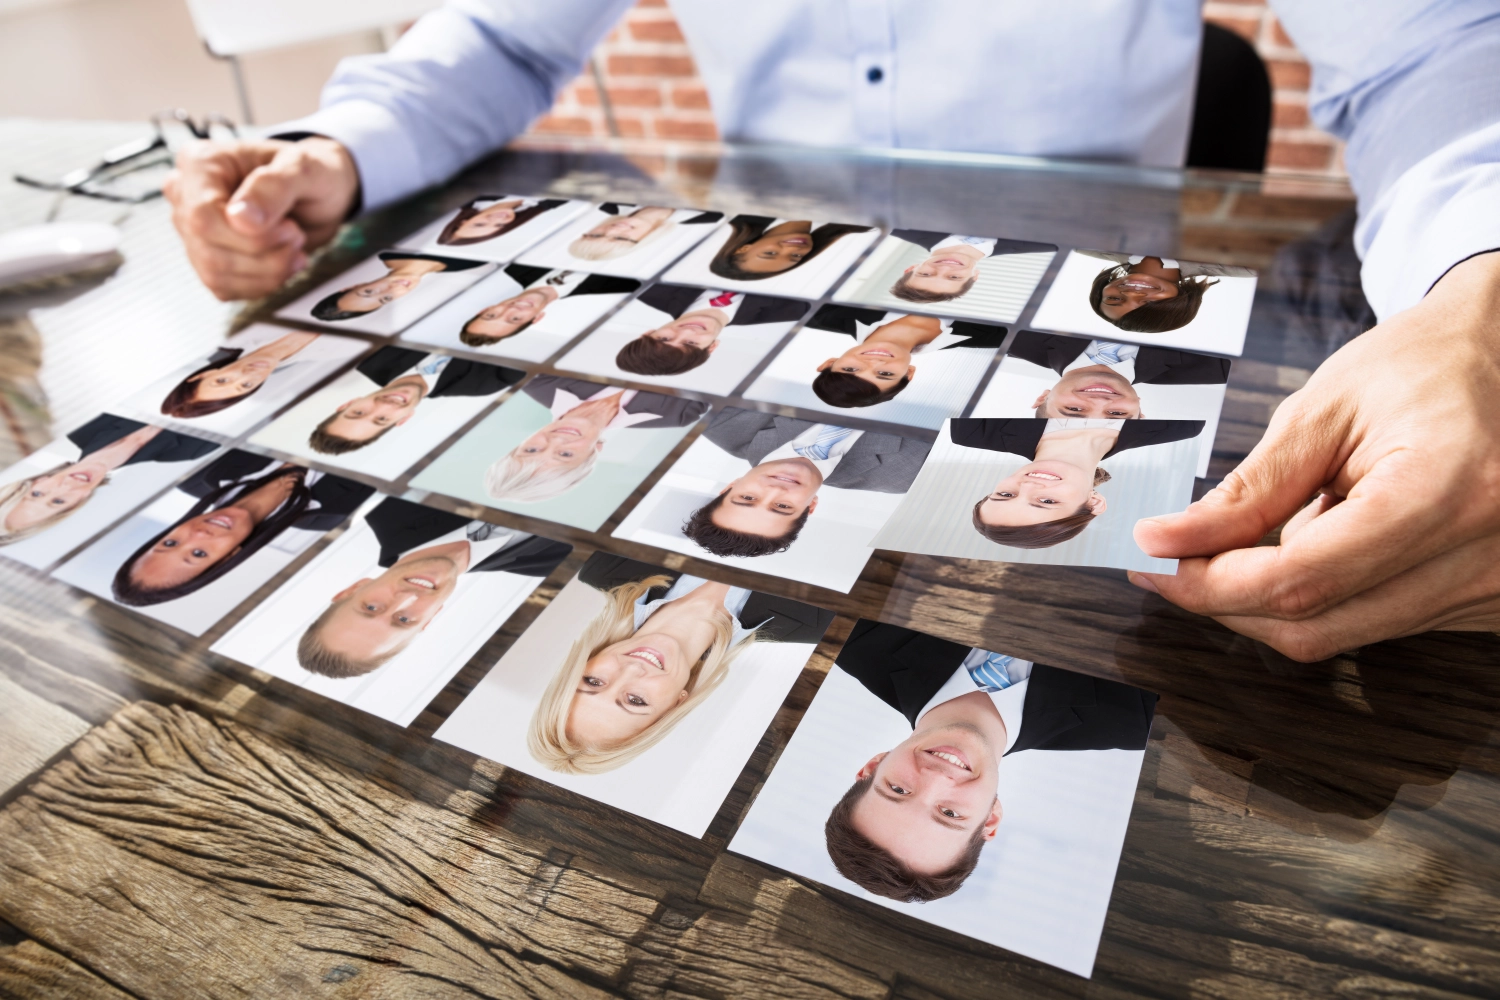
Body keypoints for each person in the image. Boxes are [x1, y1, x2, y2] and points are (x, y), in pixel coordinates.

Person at [160, 1, 1500, 660]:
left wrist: (1479, 293)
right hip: (765, 311)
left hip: (1097, 300)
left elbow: (1430, 48)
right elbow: (507, 37)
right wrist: (339, 145)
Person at [824, 620, 1156, 902]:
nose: (938, 777)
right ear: (990, 820)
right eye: (949, 813)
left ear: (872, 767)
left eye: (898, 789)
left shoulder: (852, 636)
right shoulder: (1139, 719)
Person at [529, 554, 832, 774]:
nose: (631, 671)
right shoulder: (814, 624)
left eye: (593, 683)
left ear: (581, 666)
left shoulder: (604, 566)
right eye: (635, 700)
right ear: (676, 703)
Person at [297, 498, 571, 678]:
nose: (407, 598)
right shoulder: (550, 562)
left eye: (371, 607)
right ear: (428, 621)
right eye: (404, 620)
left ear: (352, 589)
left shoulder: (389, 502)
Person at [111, 452, 373, 606]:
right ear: (230, 557)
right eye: (199, 554)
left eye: (169, 544)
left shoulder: (196, 476)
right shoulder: (327, 516)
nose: (198, 535)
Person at [682, 407, 931, 557]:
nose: (776, 490)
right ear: (811, 506)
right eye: (782, 507)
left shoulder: (720, 421)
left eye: (748, 498)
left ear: (730, 487)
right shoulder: (910, 475)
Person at [956, 416, 1203, 549]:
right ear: (1094, 502)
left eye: (1006, 495)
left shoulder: (970, 430)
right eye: (1046, 501)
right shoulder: (1182, 427)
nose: (1028, 487)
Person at [486, 374, 707, 502]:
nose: (557, 441)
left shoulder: (538, 379)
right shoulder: (677, 414)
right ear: (592, 456)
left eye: (531, 450)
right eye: (565, 455)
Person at [0, 417, 216, 546]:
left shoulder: (80, 424)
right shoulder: (186, 452)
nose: (65, 487)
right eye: (58, 502)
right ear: (78, 503)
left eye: (37, 494)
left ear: (38, 480)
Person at [309, 346, 523, 455]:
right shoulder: (485, 384)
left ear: (348, 404)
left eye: (359, 413)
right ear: (403, 420)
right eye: (382, 419)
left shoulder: (368, 353)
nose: (384, 405)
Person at [805, 306, 1005, 408]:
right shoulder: (999, 335)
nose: (874, 362)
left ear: (829, 363)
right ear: (909, 373)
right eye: (884, 373)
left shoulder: (820, 310)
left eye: (850, 369)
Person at [1005, 331, 1232, 420]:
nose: (1099, 402)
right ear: (1139, 412)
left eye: (1074, 410)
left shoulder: (1011, 336)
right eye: (1116, 413)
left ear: (1042, 398)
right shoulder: (1221, 368)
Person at [613, 285, 808, 377]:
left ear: (647, 333)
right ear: (712, 348)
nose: (686, 332)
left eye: (664, 338)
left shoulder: (648, 287)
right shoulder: (795, 309)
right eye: (691, 344)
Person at [1079, 251, 1254, 335]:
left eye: (1115, 298)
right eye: (1148, 303)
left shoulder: (1082, 242)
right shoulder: (1248, 266)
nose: (1133, 293)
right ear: (1178, 303)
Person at [459, 266, 639, 346]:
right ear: (537, 319)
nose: (512, 309)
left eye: (492, 315)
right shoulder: (623, 288)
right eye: (514, 319)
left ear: (486, 309)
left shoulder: (515, 264)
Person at [159, 330, 321, 418]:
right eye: (245, 385)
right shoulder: (329, 354)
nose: (247, 375)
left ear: (203, 374)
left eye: (222, 380)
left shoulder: (239, 330)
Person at [310, 251, 486, 322]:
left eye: (368, 291)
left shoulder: (393, 246)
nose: (391, 290)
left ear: (357, 284)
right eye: (385, 299)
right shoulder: (465, 267)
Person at [886, 232, 1054, 305]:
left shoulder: (894, 221)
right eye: (954, 278)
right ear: (975, 276)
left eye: (926, 274)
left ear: (911, 268)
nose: (944, 268)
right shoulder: (1052, 243)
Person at [707, 217, 873, 281]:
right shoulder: (859, 223)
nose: (793, 248)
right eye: (795, 256)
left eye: (770, 253)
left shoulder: (739, 207)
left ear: (743, 248)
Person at [564, 204, 720, 262]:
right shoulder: (710, 216)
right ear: (641, 242)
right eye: (620, 238)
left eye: (595, 235)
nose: (612, 229)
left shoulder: (608, 204)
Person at [436, 196, 567, 246]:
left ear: (462, 221)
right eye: (499, 225)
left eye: (479, 224)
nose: (499, 219)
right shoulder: (545, 205)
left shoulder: (471, 192)